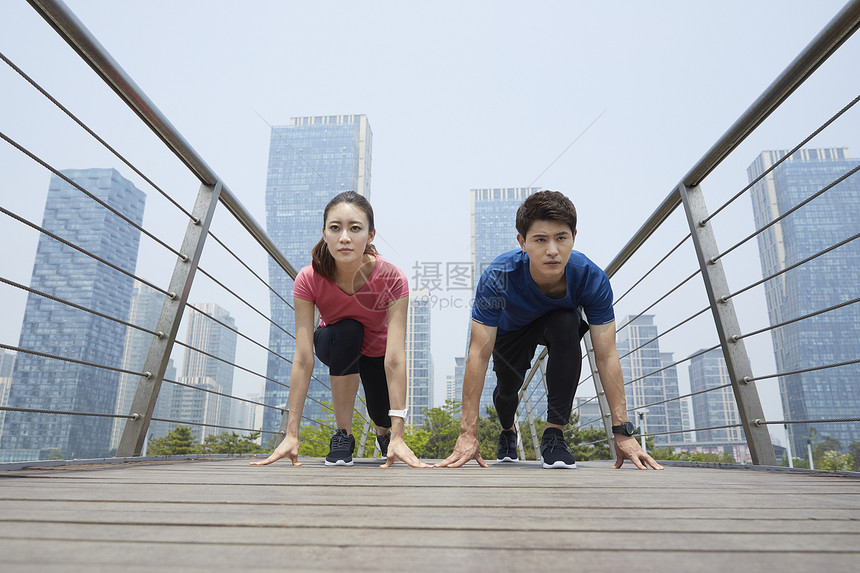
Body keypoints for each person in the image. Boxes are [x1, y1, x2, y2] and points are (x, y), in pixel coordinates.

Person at [436, 191, 663, 470]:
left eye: (561, 238)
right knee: (507, 392)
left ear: (574, 237)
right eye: (540, 240)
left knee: (567, 320)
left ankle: (554, 435)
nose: (552, 250)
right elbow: (477, 354)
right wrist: (467, 434)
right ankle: (508, 431)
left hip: (556, 325)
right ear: (522, 242)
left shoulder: (590, 277)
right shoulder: (497, 277)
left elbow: (606, 355)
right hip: (511, 331)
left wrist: (622, 431)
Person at [252, 191, 429, 469]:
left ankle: (384, 435)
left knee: (379, 413)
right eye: (335, 228)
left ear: (370, 235)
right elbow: (303, 358)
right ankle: (343, 435)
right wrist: (291, 433)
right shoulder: (308, 278)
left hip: (376, 352)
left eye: (355, 228)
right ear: (324, 233)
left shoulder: (392, 278)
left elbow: (395, 358)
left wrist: (398, 434)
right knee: (349, 330)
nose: (344, 237)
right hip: (335, 341)